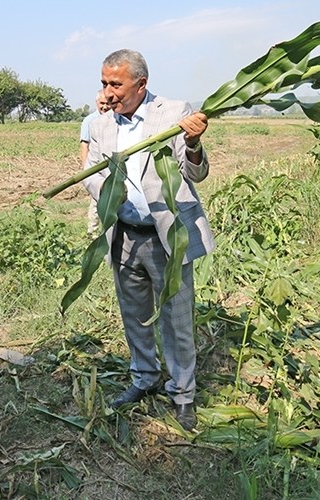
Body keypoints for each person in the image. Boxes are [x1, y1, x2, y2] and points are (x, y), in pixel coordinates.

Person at [82, 49, 215, 431]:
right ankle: (145, 377)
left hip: (166, 235)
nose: (107, 91)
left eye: (116, 84)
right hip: (123, 234)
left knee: (176, 318)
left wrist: (192, 144)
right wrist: (110, 194)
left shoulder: (174, 114)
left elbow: (196, 173)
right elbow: (90, 172)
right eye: (104, 82)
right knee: (134, 314)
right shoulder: (100, 124)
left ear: (141, 84)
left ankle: (183, 392)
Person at [80, 90, 110, 236]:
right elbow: (85, 145)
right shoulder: (89, 121)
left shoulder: (115, 118)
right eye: (102, 103)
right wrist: (87, 171)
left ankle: (109, 232)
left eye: (107, 103)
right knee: (96, 200)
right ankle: (92, 233)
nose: (105, 107)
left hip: (111, 166)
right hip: (96, 168)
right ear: (96, 103)